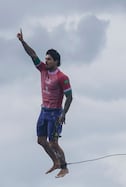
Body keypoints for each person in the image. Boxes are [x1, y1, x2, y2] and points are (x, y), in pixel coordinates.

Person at [17, 29, 73, 178]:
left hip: (55, 114)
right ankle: (55, 162)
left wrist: (63, 114)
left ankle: (64, 167)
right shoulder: (43, 69)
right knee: (41, 140)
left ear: (56, 61)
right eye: (46, 58)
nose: (46, 61)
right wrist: (22, 41)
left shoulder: (62, 77)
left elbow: (70, 97)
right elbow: (32, 54)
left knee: (53, 143)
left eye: (49, 59)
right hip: (44, 111)